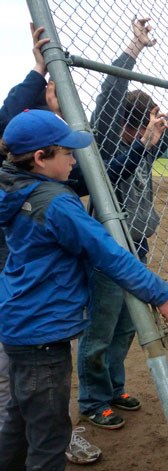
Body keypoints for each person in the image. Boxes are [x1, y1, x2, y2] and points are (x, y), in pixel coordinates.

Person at [0, 109, 168, 470]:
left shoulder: (15, 185)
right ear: (40, 158)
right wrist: (157, 290)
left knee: (18, 420)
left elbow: (101, 175)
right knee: (49, 437)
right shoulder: (56, 202)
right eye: (67, 153)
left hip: (20, 325)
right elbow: (107, 250)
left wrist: (144, 145)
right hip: (43, 332)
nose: (73, 159)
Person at [77, 17, 168, 429]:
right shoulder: (107, 140)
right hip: (107, 249)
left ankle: (113, 386)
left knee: (127, 327)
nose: (153, 131)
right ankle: (92, 400)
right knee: (100, 329)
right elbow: (109, 97)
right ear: (131, 124)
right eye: (146, 124)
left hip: (137, 246)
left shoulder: (147, 142)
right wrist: (134, 48)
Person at [0, 23, 102, 465]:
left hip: (19, 303)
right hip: (29, 313)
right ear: (40, 156)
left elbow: (98, 165)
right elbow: (8, 130)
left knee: (19, 405)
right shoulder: (33, 191)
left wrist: (39, 90)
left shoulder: (30, 180)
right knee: (29, 405)